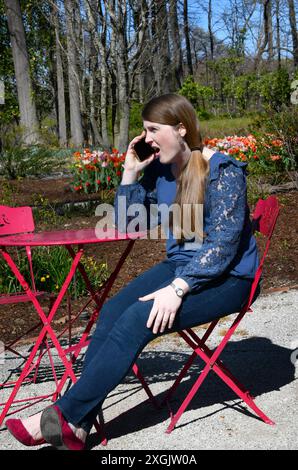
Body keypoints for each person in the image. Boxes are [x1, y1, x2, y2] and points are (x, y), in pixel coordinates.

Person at [5, 93, 260, 450]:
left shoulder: (222, 171)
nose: (147, 139)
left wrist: (179, 288)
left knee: (138, 317)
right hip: (183, 266)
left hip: (231, 278)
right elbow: (125, 222)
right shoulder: (162, 171)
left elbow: (224, 246)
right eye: (144, 130)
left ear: (182, 128)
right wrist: (129, 172)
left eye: (154, 129)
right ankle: (77, 426)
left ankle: (63, 415)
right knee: (111, 311)